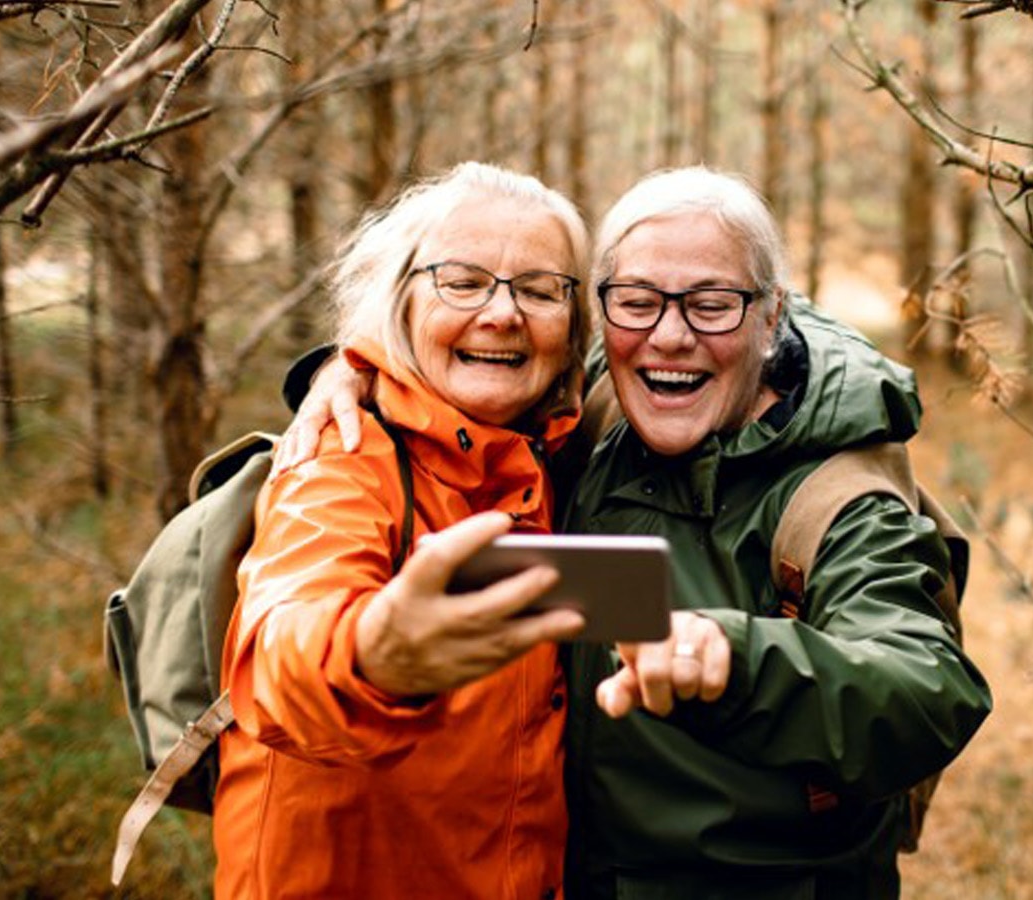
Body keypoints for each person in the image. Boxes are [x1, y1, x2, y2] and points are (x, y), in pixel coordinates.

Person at [288, 167, 992, 899]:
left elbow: (927, 690)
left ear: (771, 314)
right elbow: (469, 342)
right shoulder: (599, 402)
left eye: (712, 305)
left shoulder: (840, 498)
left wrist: (738, 660)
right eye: (637, 302)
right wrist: (346, 369)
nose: (671, 336)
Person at [213, 161, 593, 900]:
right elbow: (282, 642)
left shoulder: (558, 451)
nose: (503, 314)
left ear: (574, 326)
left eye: (540, 290)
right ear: (401, 300)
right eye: (463, 281)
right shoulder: (345, 455)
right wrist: (373, 656)